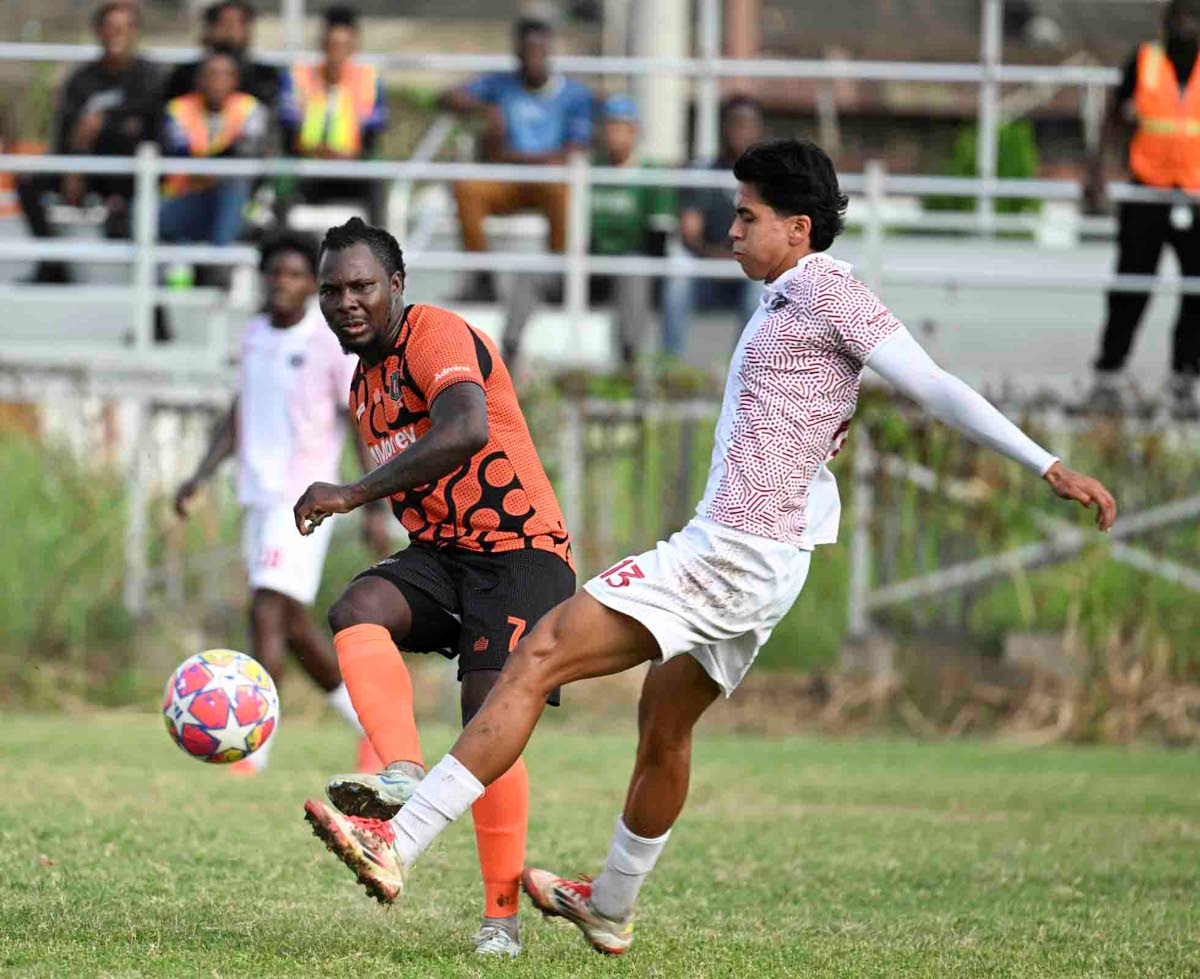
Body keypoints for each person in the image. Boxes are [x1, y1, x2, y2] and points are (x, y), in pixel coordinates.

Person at [296, 139, 1119, 956]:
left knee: (537, 653)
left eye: (746, 216)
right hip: (768, 561)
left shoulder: (829, 290)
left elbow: (933, 382)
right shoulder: (784, 297)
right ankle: (610, 904)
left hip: (733, 551)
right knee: (664, 722)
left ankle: (396, 840)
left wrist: (1044, 462)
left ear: (798, 228)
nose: (730, 230)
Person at [294, 219, 575, 958]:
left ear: (397, 285)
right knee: (358, 607)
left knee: (487, 728)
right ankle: (399, 772)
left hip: (522, 553)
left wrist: (352, 494)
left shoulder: (436, 334)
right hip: (445, 554)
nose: (346, 302)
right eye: (332, 290)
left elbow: (464, 430)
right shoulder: (365, 385)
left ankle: (501, 921)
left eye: (361, 286)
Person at [175, 231, 384, 775]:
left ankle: (251, 749)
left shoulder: (327, 343)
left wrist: (374, 505)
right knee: (291, 626)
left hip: (305, 500)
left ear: (312, 286)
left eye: (296, 276)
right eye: (276, 275)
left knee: (265, 609)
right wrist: (199, 475)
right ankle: (375, 727)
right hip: (258, 495)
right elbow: (241, 412)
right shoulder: (253, 336)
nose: (284, 284)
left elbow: (359, 423)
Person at [1083, 0, 1200, 419]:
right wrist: (1096, 173)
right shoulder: (1145, 61)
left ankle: (1185, 380)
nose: (1185, 26)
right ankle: (1108, 376)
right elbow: (1112, 117)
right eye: (1178, 18)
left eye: (1193, 18)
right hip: (1147, 193)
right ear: (1164, 22)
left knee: (1196, 291)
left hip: (1196, 197)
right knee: (1130, 286)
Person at [501, 94, 674, 369]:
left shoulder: (652, 174)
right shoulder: (587, 169)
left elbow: (657, 238)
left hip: (625, 266)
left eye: (621, 127)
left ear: (634, 131)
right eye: (609, 126)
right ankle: (508, 352)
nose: (613, 134)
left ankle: (629, 363)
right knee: (531, 272)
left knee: (635, 269)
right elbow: (569, 228)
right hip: (585, 261)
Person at [439, 15, 594, 303]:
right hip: (508, 180)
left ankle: (557, 280)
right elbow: (446, 97)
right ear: (518, 53)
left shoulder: (574, 95)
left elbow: (573, 151)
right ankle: (482, 276)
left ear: (549, 52)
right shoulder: (500, 86)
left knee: (564, 192)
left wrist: (515, 157)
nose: (533, 58)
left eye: (539, 51)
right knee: (466, 188)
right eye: (527, 51)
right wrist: (485, 109)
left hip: (548, 181)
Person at [16, 1, 160, 283]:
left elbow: (147, 125)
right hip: (84, 166)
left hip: (127, 171)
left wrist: (105, 120)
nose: (117, 34)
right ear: (99, 32)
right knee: (28, 183)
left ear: (135, 32)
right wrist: (74, 167)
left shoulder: (149, 76)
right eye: (110, 27)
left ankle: (137, 271)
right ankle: (52, 263)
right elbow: (65, 131)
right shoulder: (82, 79)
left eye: (124, 27)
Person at [661, 95, 765, 360]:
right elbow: (689, 232)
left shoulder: (770, 180)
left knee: (761, 292)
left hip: (748, 271)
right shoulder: (702, 172)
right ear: (723, 127)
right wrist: (718, 256)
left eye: (747, 124)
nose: (740, 131)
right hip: (705, 265)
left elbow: (768, 236)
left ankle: (742, 375)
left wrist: (739, 257)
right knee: (677, 285)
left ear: (758, 130)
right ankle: (672, 369)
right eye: (734, 123)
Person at [276, 4, 389, 226]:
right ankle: (281, 244)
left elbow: (375, 129)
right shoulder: (298, 77)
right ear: (322, 43)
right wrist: (314, 151)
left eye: (344, 45)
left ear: (354, 45)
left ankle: (379, 250)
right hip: (306, 161)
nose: (337, 52)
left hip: (352, 164)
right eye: (332, 45)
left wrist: (348, 156)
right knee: (281, 173)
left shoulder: (369, 80)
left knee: (376, 174)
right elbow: (287, 125)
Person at [159, 48, 268, 249]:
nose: (216, 81)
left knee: (233, 187)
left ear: (235, 80)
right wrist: (214, 169)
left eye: (224, 75)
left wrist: (213, 171)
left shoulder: (251, 109)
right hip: (186, 197)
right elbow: (180, 155)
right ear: (199, 80)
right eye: (211, 74)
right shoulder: (178, 109)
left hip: (236, 203)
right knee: (144, 213)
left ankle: (220, 262)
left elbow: (246, 154)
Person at [162, 0, 281, 111]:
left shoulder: (264, 76)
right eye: (225, 23)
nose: (230, 30)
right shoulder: (185, 74)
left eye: (239, 23)